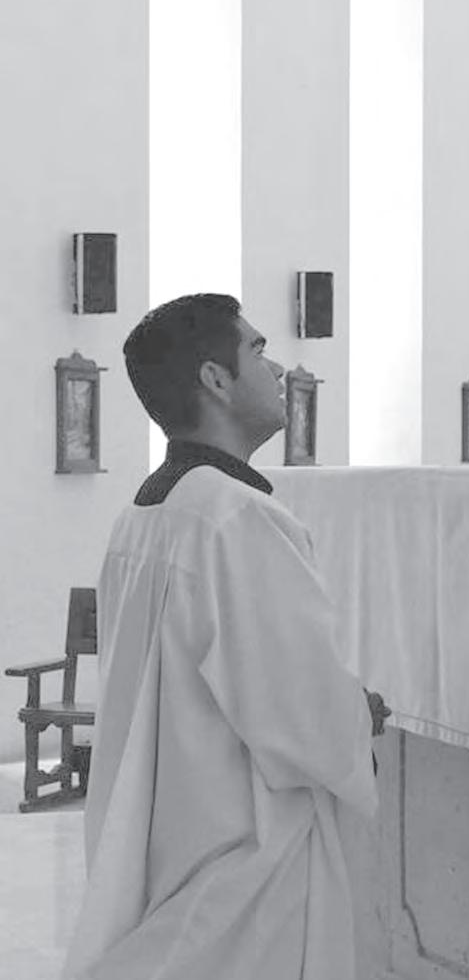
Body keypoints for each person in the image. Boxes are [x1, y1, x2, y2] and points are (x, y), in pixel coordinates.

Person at [62, 293, 391, 980]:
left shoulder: (142, 516)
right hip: (243, 842)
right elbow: (297, 709)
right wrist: (356, 716)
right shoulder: (234, 517)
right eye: (258, 350)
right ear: (215, 378)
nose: (277, 369)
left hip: (166, 828)